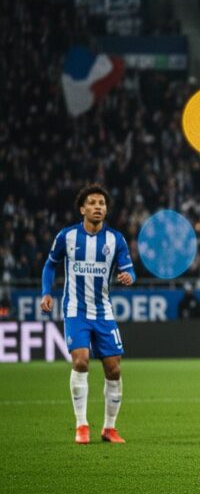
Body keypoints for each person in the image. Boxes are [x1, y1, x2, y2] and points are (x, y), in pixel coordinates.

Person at [40, 184, 136, 444]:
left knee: (114, 368)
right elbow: (50, 265)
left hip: (103, 312)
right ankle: (81, 425)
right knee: (81, 361)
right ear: (82, 209)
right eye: (92, 203)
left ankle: (109, 428)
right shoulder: (67, 236)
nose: (97, 207)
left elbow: (130, 268)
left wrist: (128, 276)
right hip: (76, 311)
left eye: (102, 204)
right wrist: (46, 292)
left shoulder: (116, 239)